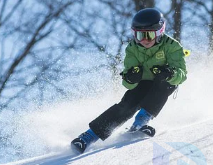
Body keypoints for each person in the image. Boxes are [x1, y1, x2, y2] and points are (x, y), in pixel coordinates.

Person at [71, 8, 187, 154]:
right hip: (143, 83)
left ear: (159, 32)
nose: (144, 40)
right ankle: (88, 137)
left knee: (164, 84)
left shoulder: (172, 46)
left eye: (149, 35)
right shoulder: (132, 48)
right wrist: (131, 77)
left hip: (163, 82)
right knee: (127, 104)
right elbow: (127, 82)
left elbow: (182, 75)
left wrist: (170, 73)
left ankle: (141, 121)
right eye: (139, 35)